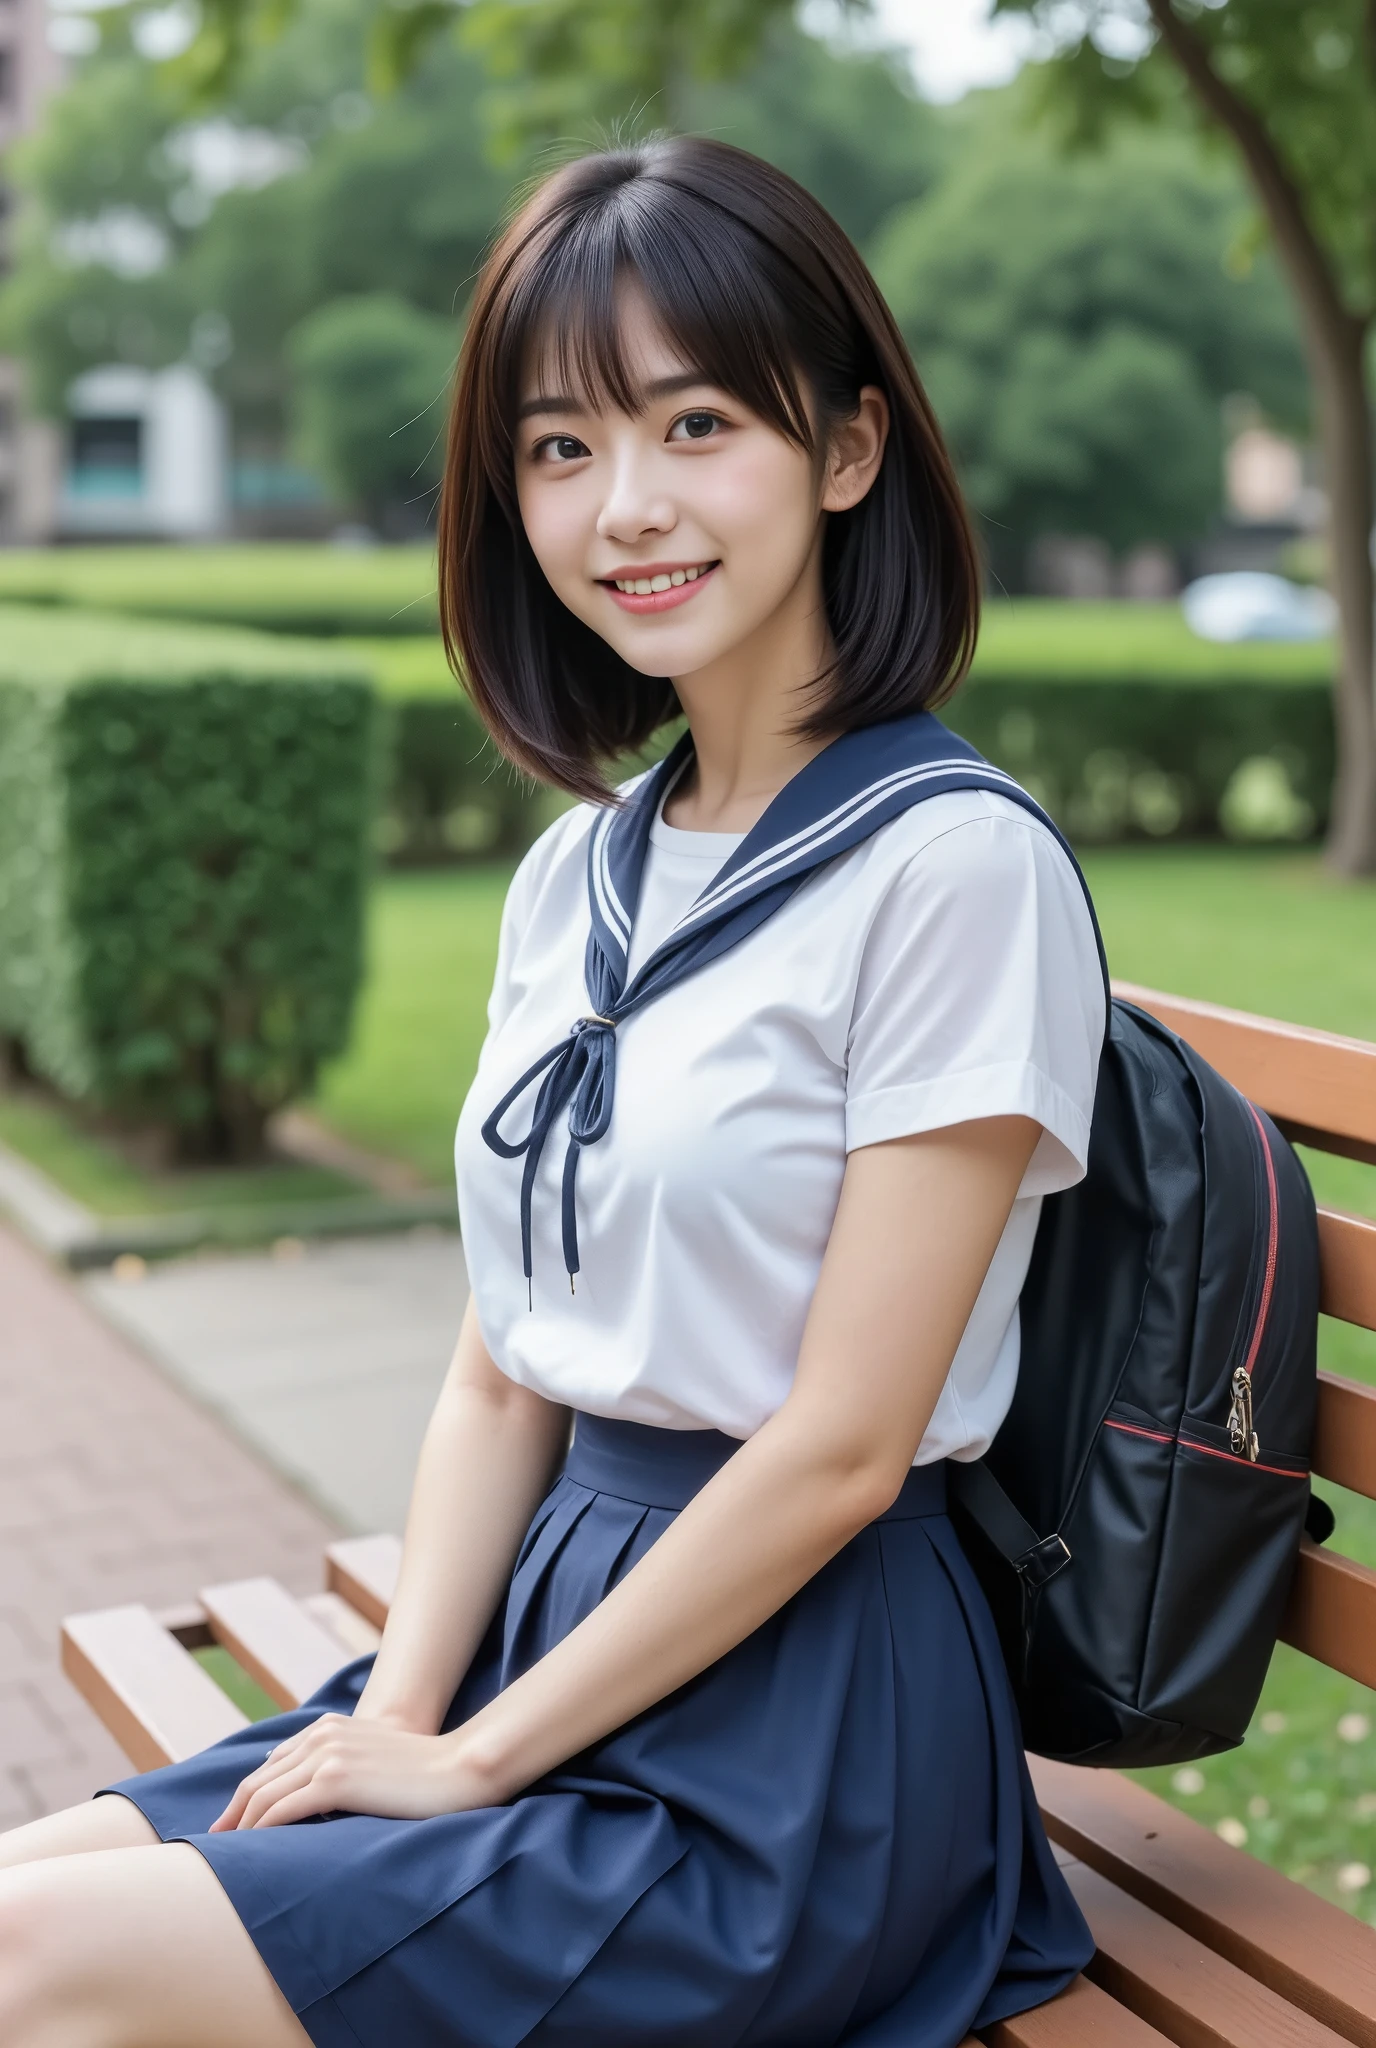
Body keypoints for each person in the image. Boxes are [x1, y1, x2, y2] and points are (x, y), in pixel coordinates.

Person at [0, 137, 1104, 2047]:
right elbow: (500, 1371)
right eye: (559, 448)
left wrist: (473, 1760)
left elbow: (847, 1451)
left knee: (36, 1979)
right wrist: (403, 1724)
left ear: (847, 450)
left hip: (795, 1743)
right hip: (544, 1636)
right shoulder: (578, 866)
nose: (625, 509)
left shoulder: (955, 869)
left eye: (693, 425)